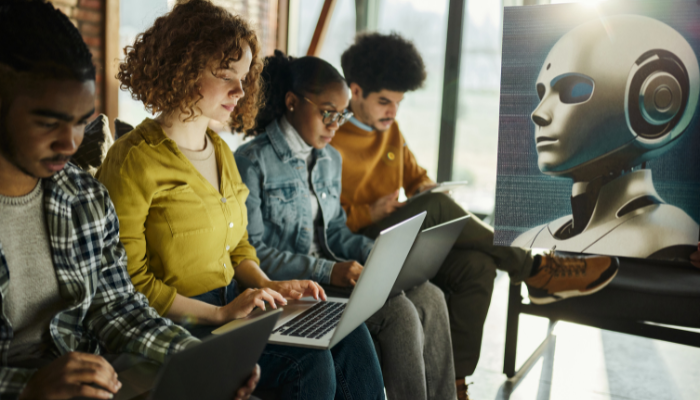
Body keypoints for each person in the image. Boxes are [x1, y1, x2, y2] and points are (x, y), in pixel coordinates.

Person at [96, 2, 384, 399]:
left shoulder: (220, 151)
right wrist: (219, 313)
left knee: (349, 332)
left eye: (244, 77)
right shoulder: (133, 160)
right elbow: (129, 284)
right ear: (182, 67)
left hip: (235, 306)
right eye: (225, 75)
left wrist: (269, 285)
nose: (240, 89)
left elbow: (239, 246)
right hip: (182, 321)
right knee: (308, 364)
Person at [332, 32, 619, 399]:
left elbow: (415, 177)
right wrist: (368, 211)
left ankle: (455, 383)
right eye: (385, 102)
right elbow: (326, 225)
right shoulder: (332, 138)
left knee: (478, 266)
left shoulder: (391, 130)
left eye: (400, 103)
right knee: (437, 210)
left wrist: (426, 188)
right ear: (355, 92)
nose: (393, 112)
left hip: (403, 235)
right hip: (364, 242)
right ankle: (535, 269)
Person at [0, 1, 257, 399]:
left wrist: (202, 359)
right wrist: (29, 388)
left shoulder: (83, 198)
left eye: (81, 121)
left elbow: (119, 306)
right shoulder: (135, 160)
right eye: (48, 121)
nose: (69, 143)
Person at [235, 51, 457, 400]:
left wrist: (382, 255)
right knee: (398, 313)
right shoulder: (251, 162)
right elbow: (254, 251)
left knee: (430, 294)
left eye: (341, 115)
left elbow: (335, 230)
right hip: (299, 288)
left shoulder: (328, 159)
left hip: (332, 275)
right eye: (327, 113)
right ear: (292, 102)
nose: (334, 126)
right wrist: (330, 270)